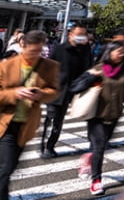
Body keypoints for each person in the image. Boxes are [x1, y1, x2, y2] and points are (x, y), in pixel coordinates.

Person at [0, 30, 60, 200]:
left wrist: (40, 94)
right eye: (32, 51)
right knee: (5, 169)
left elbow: (54, 91)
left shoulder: (50, 66)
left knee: (10, 168)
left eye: (39, 51)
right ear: (22, 46)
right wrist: (15, 93)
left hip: (26, 125)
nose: (35, 55)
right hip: (3, 124)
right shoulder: (5, 65)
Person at [70, 40, 124, 196]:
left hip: (114, 115)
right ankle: (96, 181)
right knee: (100, 148)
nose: (121, 55)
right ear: (109, 52)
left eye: (123, 52)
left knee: (100, 147)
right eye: (118, 51)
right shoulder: (97, 69)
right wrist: (90, 77)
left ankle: (88, 158)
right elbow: (75, 87)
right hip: (97, 116)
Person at [39, 23, 93, 158]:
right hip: (55, 89)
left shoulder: (84, 51)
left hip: (69, 92)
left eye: (83, 35)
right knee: (50, 118)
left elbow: (87, 69)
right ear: (70, 34)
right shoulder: (59, 49)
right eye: (78, 35)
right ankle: (44, 145)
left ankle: (50, 146)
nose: (81, 37)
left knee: (58, 121)